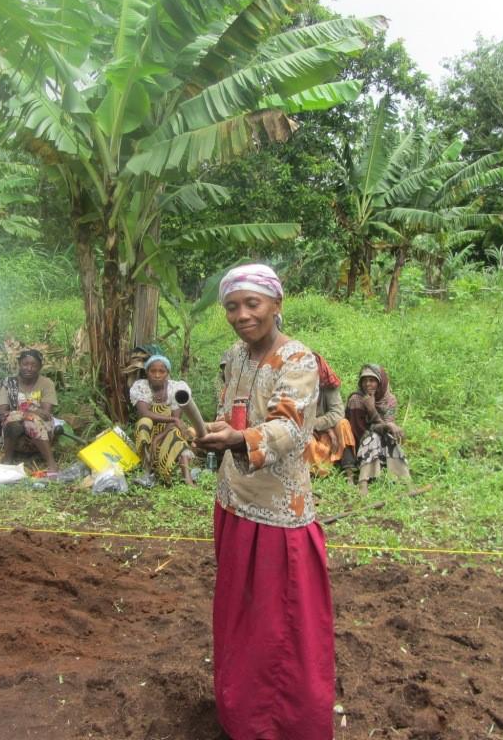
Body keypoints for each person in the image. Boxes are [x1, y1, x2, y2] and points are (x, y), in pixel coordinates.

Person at [197, 263, 334, 740]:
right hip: (234, 503)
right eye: (232, 306)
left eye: (252, 304)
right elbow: (231, 411)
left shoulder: (298, 360)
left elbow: (291, 428)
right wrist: (213, 431)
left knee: (281, 629)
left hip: (279, 516)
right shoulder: (233, 356)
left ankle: (282, 726)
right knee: (241, 618)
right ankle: (242, 716)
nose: (242, 315)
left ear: (276, 304)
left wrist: (237, 440)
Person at [129, 354, 195, 485]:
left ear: (168, 373)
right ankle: (147, 469)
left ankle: (187, 478)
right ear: (147, 372)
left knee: (176, 433)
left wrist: (159, 437)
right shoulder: (141, 387)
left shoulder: (177, 388)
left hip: (167, 431)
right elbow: (145, 413)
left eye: (161, 371)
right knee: (143, 422)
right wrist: (173, 420)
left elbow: (175, 420)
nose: (157, 375)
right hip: (149, 431)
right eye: (153, 371)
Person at [345, 364, 410, 494]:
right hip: (359, 446)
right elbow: (359, 431)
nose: (367, 384)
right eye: (364, 380)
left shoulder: (389, 400)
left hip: (380, 445)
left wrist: (389, 426)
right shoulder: (356, 399)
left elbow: (388, 427)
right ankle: (363, 481)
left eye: (372, 380)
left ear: (380, 382)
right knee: (372, 437)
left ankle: (404, 477)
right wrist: (372, 410)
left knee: (389, 437)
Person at [0, 349, 59, 473]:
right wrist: (27, 413)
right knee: (13, 421)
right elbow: (2, 415)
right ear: (19, 364)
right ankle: (8, 458)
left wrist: (25, 414)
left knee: (30, 420)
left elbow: (45, 414)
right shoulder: (10, 383)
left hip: (42, 433)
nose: (29, 368)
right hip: (16, 436)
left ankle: (51, 463)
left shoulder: (46, 383)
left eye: (34, 365)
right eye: (25, 364)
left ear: (40, 367)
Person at [306, 352, 358, 483]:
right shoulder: (296, 385)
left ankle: (349, 470)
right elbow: (296, 416)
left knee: (343, 424)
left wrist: (324, 427)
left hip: (325, 427)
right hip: (308, 430)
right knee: (306, 438)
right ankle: (315, 472)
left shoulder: (328, 382)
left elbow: (337, 412)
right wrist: (318, 426)